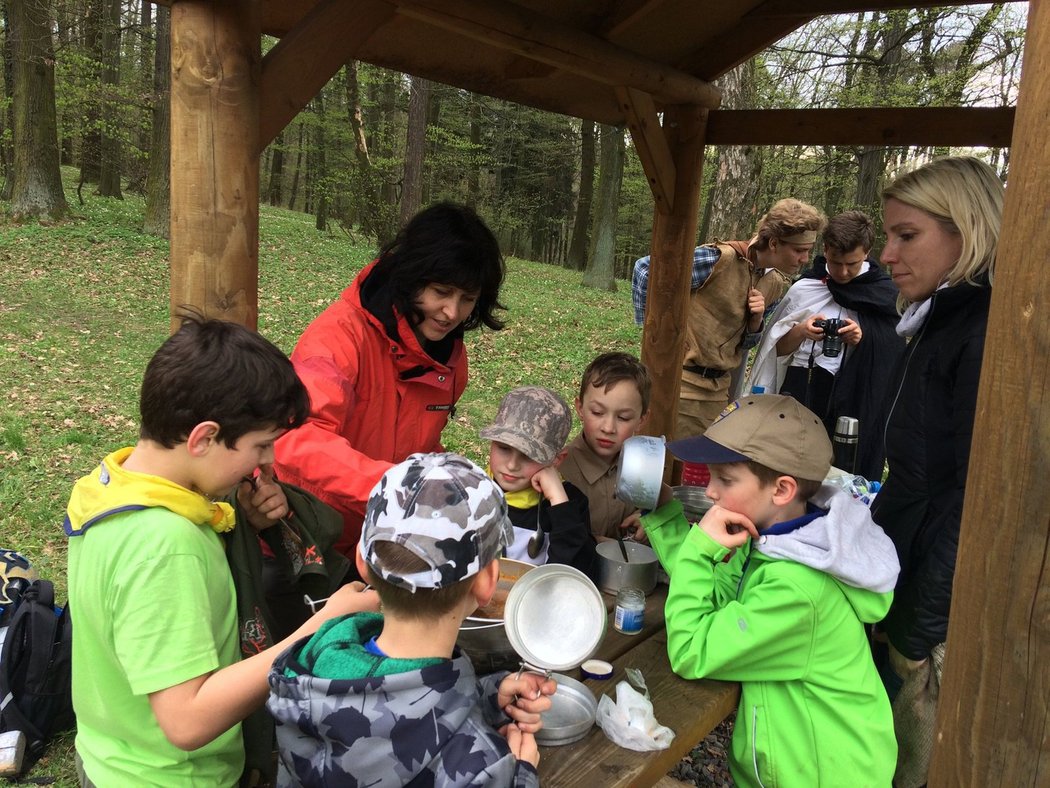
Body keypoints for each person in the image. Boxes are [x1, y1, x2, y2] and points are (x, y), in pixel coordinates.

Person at [64, 316, 379, 787]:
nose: (270, 461)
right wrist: (321, 624)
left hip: (110, 755)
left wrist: (242, 524)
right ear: (204, 438)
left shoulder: (114, 487)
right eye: (261, 445)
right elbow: (186, 721)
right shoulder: (165, 547)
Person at [632, 394, 900, 787]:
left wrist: (697, 549)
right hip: (796, 765)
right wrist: (667, 516)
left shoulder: (798, 591)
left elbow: (692, 650)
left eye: (725, 479)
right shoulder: (785, 540)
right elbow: (722, 596)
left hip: (825, 775)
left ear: (781, 490)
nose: (709, 492)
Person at [267, 452, 556, 786]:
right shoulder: (482, 766)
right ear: (489, 581)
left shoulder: (306, 671)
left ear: (362, 562)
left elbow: (385, 705)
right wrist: (520, 773)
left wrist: (484, 695)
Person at [870, 156, 1003, 788]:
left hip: (936, 593)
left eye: (906, 235)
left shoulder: (986, 333)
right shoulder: (934, 318)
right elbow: (919, 468)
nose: (887, 254)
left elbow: (975, 499)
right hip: (907, 563)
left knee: (913, 759)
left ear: (966, 230)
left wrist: (921, 624)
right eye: (888, 234)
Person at [273, 202, 507, 561]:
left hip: (381, 543)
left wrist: (452, 480)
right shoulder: (338, 339)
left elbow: (417, 440)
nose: (452, 313)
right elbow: (296, 438)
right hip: (308, 539)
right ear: (411, 274)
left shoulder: (448, 358)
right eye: (442, 292)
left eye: (467, 299)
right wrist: (396, 486)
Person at [632, 199, 827, 438]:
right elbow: (645, 269)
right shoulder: (717, 259)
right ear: (774, 243)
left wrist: (756, 322)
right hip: (677, 387)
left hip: (718, 394)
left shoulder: (775, 284)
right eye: (799, 250)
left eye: (808, 250)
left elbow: (745, 344)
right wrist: (658, 337)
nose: (805, 259)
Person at [745, 211, 906, 480]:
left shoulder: (884, 293)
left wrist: (861, 339)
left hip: (852, 396)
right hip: (800, 390)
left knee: (843, 471)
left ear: (866, 253)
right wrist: (800, 331)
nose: (843, 272)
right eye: (835, 262)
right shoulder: (805, 288)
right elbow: (774, 352)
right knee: (788, 468)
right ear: (826, 250)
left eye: (851, 264)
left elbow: (892, 352)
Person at [480, 386, 599, 579]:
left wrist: (559, 501)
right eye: (503, 448)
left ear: (556, 460)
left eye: (528, 456)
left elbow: (579, 577)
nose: (511, 465)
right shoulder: (471, 491)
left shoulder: (570, 504)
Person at [559, 352, 651, 540]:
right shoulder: (560, 472)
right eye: (598, 412)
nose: (608, 428)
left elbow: (655, 507)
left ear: (642, 420)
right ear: (580, 408)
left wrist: (646, 518)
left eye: (623, 417)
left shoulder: (643, 466)